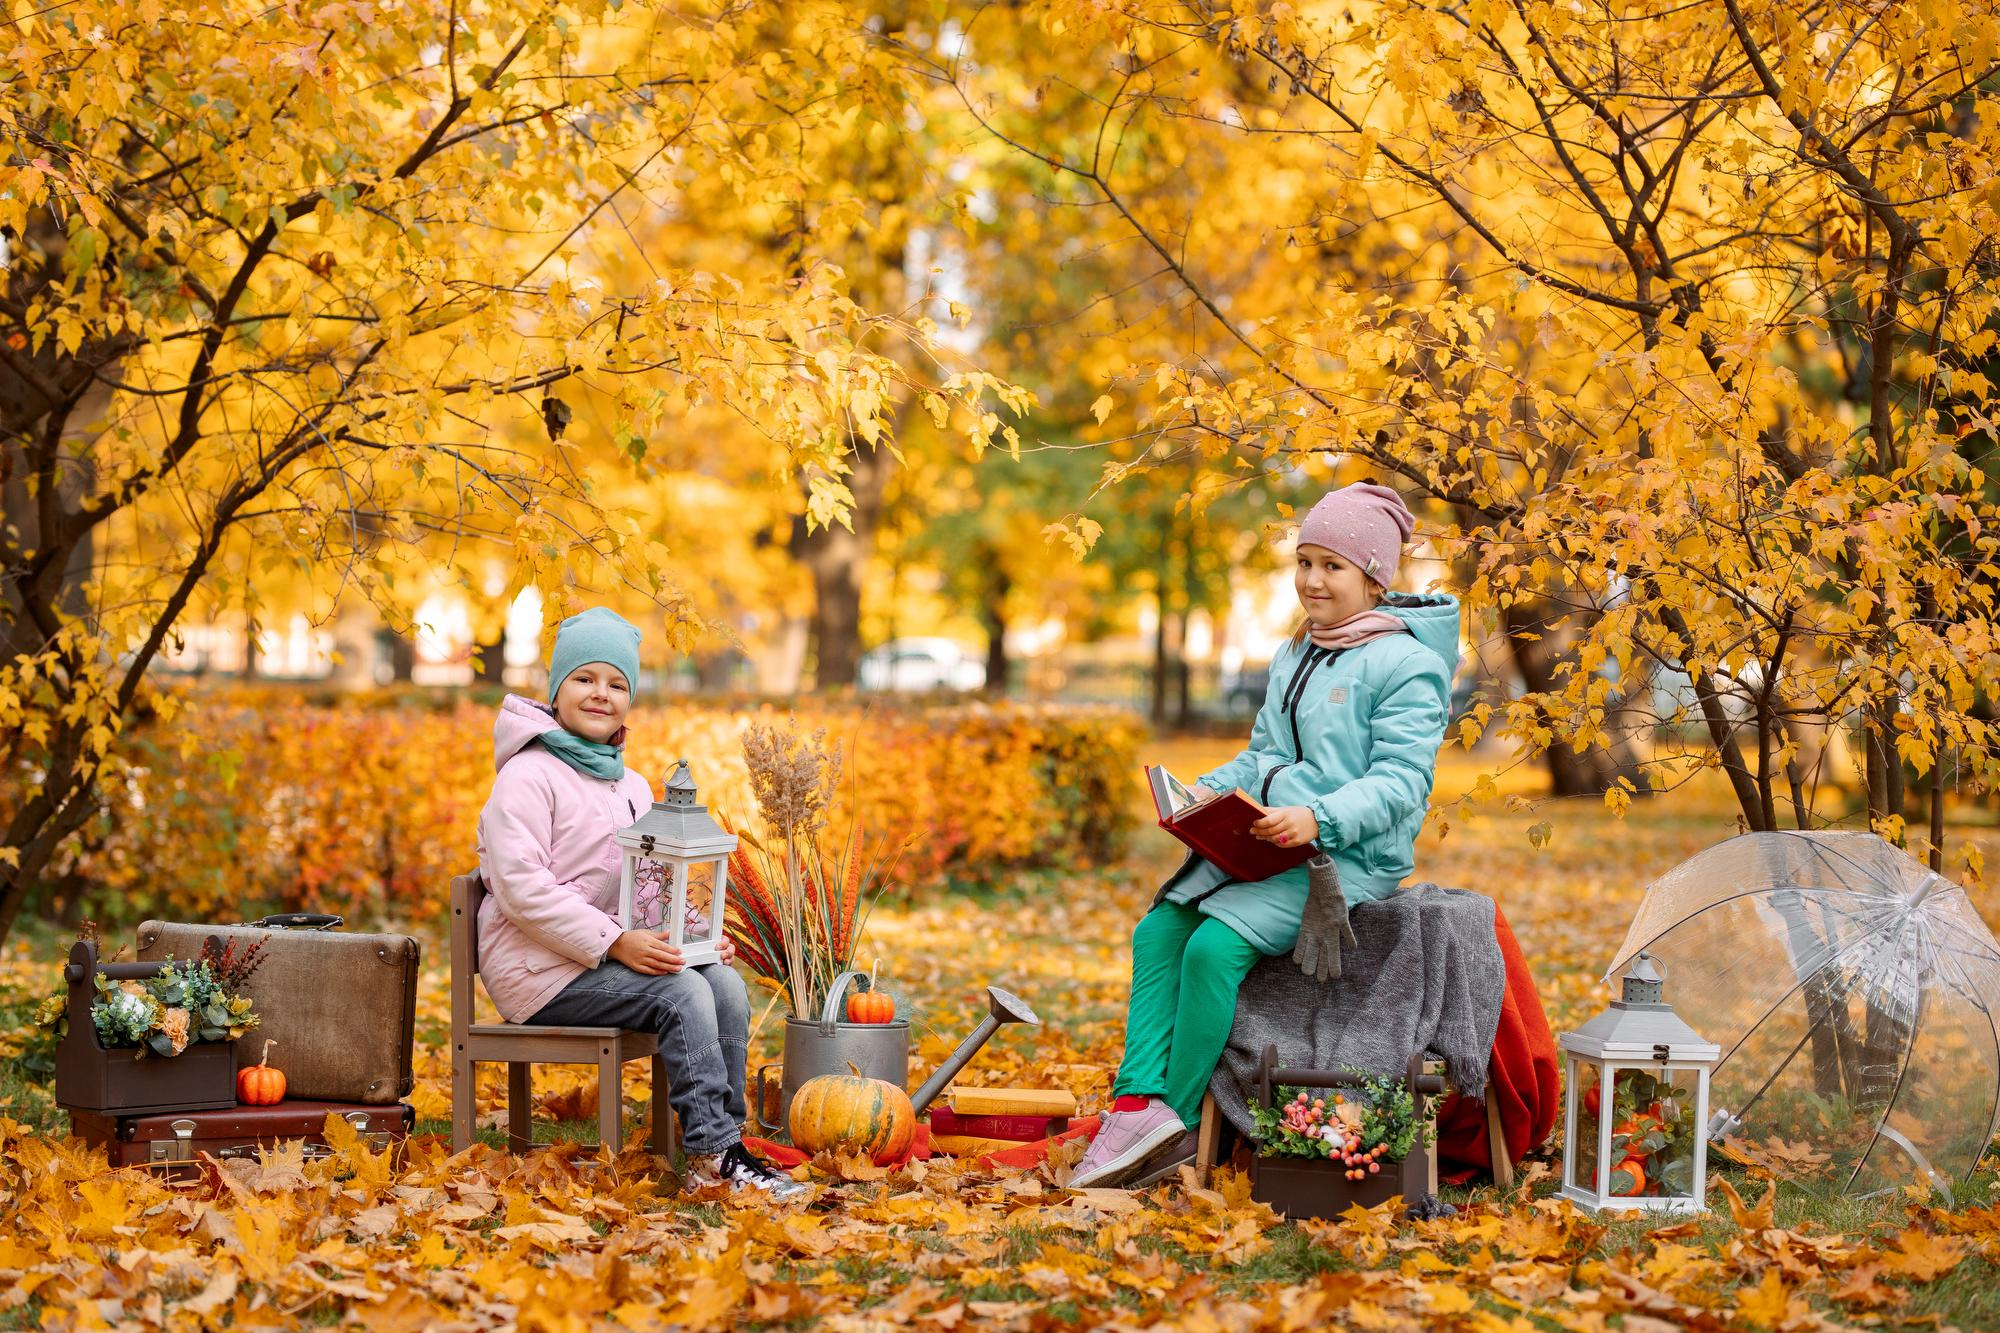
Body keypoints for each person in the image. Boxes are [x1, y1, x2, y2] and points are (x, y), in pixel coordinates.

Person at [1071, 483, 1461, 1188]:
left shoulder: (1408, 665)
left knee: (1213, 946)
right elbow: (1263, 755)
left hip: (1343, 858)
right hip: (1270, 838)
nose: (1312, 579)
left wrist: (1320, 818)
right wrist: (1206, 791)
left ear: (1375, 576)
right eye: (1305, 561)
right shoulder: (1298, 651)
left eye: (1332, 566)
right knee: (1159, 929)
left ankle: (1177, 1122)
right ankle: (1134, 1103)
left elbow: (1404, 782)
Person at [474, 606, 805, 1198]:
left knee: (721, 983)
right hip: (538, 971)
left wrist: (696, 936)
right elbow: (520, 887)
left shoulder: (631, 786)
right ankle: (712, 1158)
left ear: (630, 699)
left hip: (601, 960)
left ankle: (729, 1144)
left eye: (617, 684)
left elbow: (650, 883)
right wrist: (614, 940)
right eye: (584, 678)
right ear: (556, 690)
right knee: (681, 993)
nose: (601, 694)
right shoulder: (527, 775)